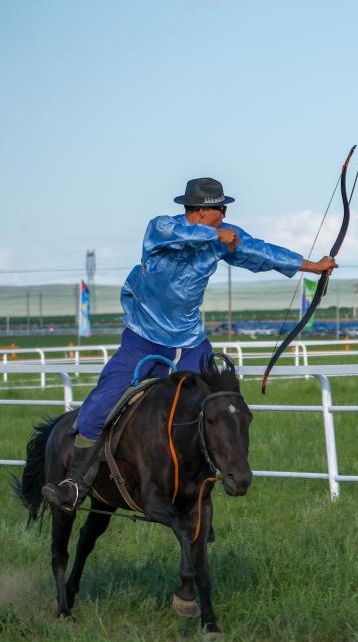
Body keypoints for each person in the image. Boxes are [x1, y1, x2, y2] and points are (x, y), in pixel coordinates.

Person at [42, 177, 336, 512]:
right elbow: (175, 233)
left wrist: (313, 267)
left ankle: (204, 485)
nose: (224, 214)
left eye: (224, 209)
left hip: (190, 343)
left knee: (218, 407)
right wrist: (215, 235)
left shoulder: (221, 236)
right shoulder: (162, 228)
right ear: (197, 212)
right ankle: (75, 483)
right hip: (143, 340)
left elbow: (260, 252)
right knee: (98, 406)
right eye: (218, 209)